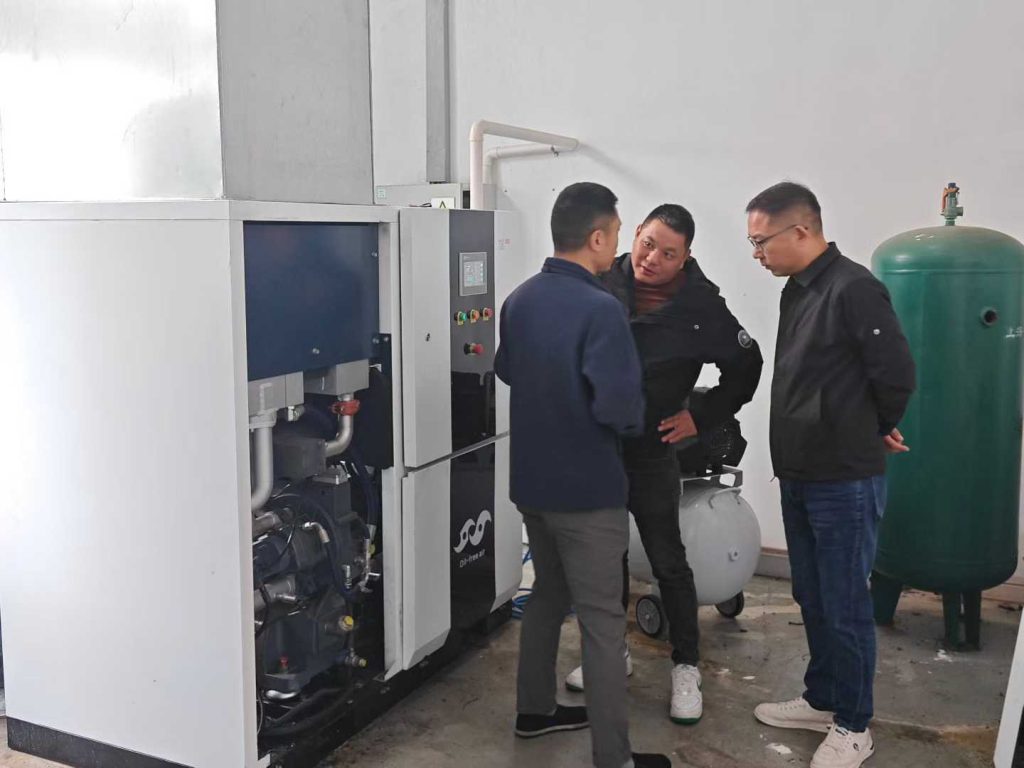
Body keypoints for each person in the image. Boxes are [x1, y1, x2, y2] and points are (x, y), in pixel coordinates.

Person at [563, 204, 763, 725]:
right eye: (647, 243)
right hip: (598, 447)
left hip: (652, 450)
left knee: (668, 559)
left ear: (685, 257)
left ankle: (686, 666)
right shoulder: (599, 282)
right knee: (604, 557)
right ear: (635, 234)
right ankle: (612, 655)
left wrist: (701, 415)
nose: (652, 258)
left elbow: (747, 365)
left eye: (668, 253)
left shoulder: (701, 304)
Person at [495, 182, 669, 768]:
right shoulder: (601, 309)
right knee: (601, 621)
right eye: (617, 234)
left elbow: (507, 370)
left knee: (548, 593)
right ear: (597, 237)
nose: (618, 245)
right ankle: (614, 758)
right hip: (587, 492)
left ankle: (533, 711)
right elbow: (619, 410)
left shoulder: (519, 299)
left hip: (533, 486)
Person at [747, 182, 916, 768]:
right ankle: (823, 698)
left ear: (801, 230)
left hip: (842, 479)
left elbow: (896, 373)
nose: (757, 253)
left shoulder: (853, 288)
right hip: (800, 471)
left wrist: (873, 426)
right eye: (751, 243)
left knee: (844, 603)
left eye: (762, 241)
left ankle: (854, 724)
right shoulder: (798, 289)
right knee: (812, 594)